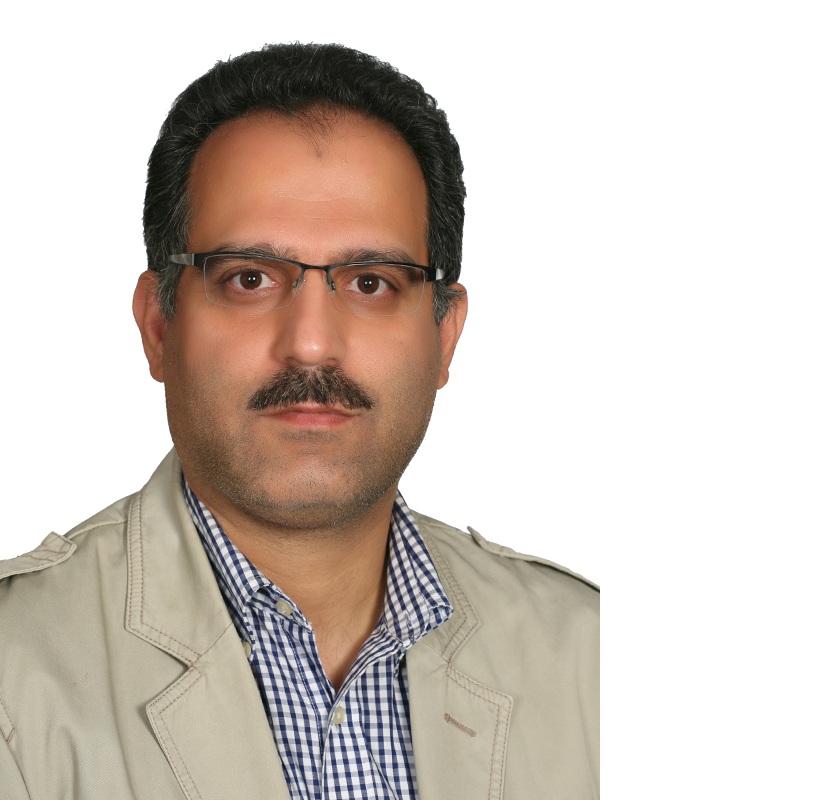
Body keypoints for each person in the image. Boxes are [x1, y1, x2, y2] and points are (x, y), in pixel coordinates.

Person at [0, 43, 599, 799]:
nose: (311, 343)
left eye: (372, 283)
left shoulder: (595, 658)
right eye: (249, 278)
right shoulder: (14, 678)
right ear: (158, 325)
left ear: (445, 337)